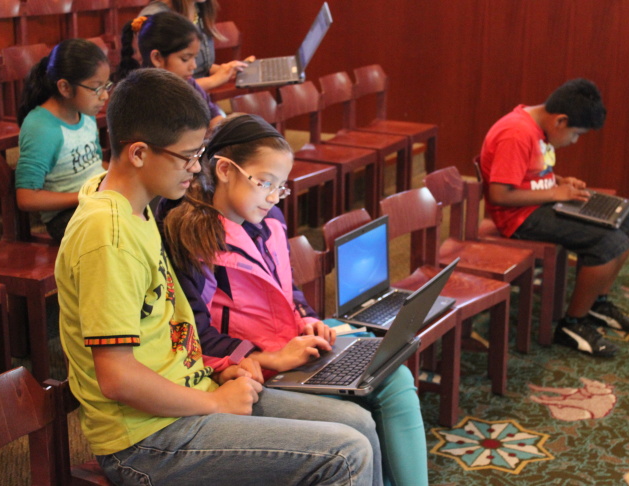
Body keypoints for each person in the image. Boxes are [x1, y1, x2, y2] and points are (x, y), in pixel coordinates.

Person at [56, 68, 381, 486]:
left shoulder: (134, 206)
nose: (196, 169)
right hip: (146, 440)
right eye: (187, 156)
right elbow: (117, 377)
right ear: (138, 153)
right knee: (346, 453)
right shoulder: (108, 236)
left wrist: (217, 376)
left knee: (359, 424)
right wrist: (215, 404)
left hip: (189, 396)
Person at [159, 114, 429, 486]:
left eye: (280, 187)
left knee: (394, 376)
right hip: (251, 368)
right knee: (364, 411)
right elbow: (196, 332)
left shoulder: (268, 219)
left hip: (290, 344)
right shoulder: (195, 237)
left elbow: (286, 288)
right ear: (224, 169)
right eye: (265, 183)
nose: (273, 196)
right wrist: (268, 356)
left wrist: (305, 318)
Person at [479, 78, 629, 358]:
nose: (574, 140)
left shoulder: (537, 126)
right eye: (575, 133)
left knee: (628, 219)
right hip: (520, 218)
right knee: (609, 243)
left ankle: (597, 302)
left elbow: (529, 172)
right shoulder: (516, 132)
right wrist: (558, 193)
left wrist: (559, 181)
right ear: (560, 120)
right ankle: (572, 325)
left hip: (543, 203)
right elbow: (500, 195)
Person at [15, 39, 110, 242]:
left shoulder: (85, 114)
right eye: (96, 88)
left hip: (97, 200)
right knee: (118, 226)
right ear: (65, 88)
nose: (104, 96)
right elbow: (27, 197)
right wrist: (86, 195)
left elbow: (92, 164)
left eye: (106, 86)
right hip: (66, 215)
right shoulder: (41, 128)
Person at [116, 11, 224, 128]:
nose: (193, 66)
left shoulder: (190, 84)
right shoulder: (140, 96)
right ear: (157, 58)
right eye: (185, 58)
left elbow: (213, 114)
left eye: (195, 58)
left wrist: (219, 125)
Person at [140, 0, 252, 91]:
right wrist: (214, 80)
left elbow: (199, 67)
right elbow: (159, 87)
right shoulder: (155, 19)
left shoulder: (198, 7)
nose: (192, 65)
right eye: (185, 58)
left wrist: (227, 71)